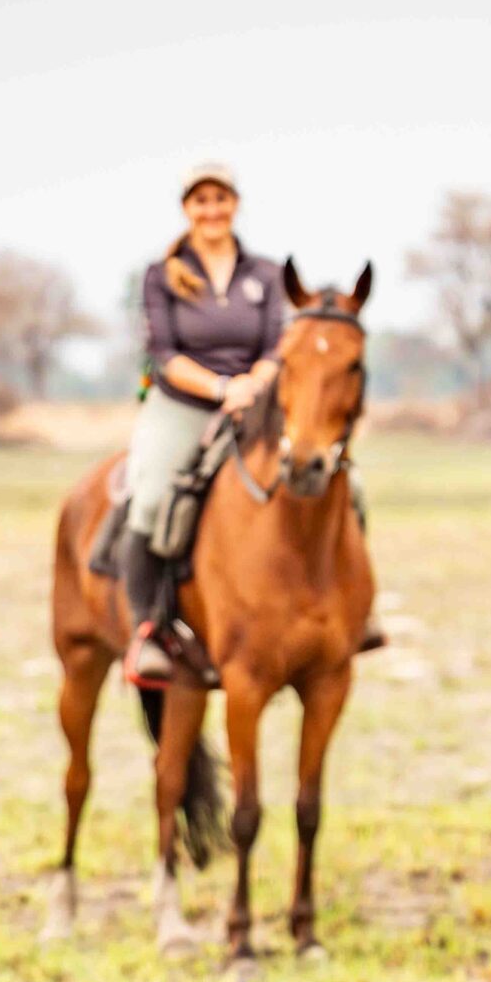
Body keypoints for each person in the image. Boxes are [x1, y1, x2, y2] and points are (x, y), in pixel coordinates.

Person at [111, 161, 286, 689]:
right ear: (186, 209)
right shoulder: (162, 276)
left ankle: (353, 610)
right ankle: (150, 629)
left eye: (221, 199)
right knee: (151, 493)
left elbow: (280, 342)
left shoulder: (266, 274)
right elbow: (164, 353)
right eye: (200, 201)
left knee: (334, 476)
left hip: (257, 401)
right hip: (184, 404)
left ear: (236, 204)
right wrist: (220, 388)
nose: (212, 210)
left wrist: (255, 382)